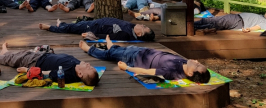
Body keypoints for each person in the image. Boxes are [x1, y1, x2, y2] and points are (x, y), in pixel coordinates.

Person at [79, 35, 210, 83]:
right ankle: (111, 45)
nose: (197, 62)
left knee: (110, 55)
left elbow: (148, 72)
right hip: (142, 51)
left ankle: (89, 49)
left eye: (198, 66)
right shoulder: (184, 62)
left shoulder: (172, 72)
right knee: (118, 50)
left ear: (191, 73)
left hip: (133, 59)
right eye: (199, 63)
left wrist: (127, 68)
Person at [0, 42, 99, 86]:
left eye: (88, 67)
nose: (89, 64)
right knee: (22, 53)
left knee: (13, 60)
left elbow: (48, 74)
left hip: (35, 62)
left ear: (80, 74)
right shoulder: (79, 65)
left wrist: (28, 71)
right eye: (91, 66)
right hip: (43, 55)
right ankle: (5, 52)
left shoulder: (67, 74)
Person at [40, 17, 155, 42]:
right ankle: (62, 24)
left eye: (144, 27)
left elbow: (108, 37)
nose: (142, 25)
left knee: (72, 28)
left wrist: (92, 36)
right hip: (97, 22)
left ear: (139, 34)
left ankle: (51, 27)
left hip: (94, 27)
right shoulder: (132, 27)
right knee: (75, 25)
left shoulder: (125, 35)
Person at [194, 12, 266, 33]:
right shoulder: (262, 17)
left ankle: (193, 27)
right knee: (212, 19)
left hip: (238, 21)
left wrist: (249, 29)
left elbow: (259, 27)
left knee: (215, 23)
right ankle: (191, 25)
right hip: (235, 17)